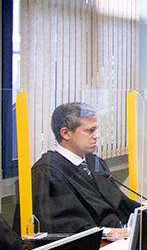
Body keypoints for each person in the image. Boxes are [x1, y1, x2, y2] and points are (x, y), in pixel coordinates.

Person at [30, 103, 140, 241]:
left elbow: (120, 203)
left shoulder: (94, 162)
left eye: (96, 130)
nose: (97, 136)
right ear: (65, 133)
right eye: (90, 131)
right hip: (93, 247)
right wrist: (105, 233)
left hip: (122, 238)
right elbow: (59, 227)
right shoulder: (46, 172)